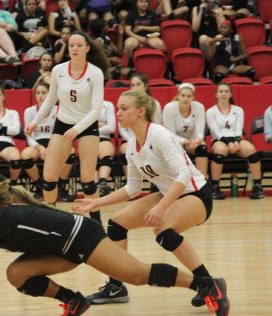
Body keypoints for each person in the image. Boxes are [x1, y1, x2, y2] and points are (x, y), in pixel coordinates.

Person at [0, 171, 230, 316]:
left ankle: (205, 284)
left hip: (81, 236)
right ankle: (74, 301)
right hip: (61, 249)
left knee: (135, 275)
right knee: (16, 274)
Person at [73, 89, 218, 310]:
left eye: (124, 108)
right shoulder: (132, 146)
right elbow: (132, 188)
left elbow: (185, 174)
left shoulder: (159, 134)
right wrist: (96, 203)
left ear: (141, 111)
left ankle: (208, 284)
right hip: (168, 192)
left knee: (163, 232)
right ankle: (116, 286)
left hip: (196, 193)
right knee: (117, 224)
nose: (118, 113)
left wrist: (161, 207)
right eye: (118, 108)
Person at [25, 31, 111, 224]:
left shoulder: (95, 73)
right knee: (49, 177)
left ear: (87, 48)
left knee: (87, 178)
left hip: (86, 125)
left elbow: (96, 109)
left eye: (79, 45)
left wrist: (77, 130)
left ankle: (96, 223)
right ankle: (50, 221)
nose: (74, 49)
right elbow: (50, 99)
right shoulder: (59, 70)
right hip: (63, 123)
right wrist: (35, 122)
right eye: (71, 45)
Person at [206, 83, 264, 200]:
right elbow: (215, 132)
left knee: (250, 149)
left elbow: (238, 129)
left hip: (236, 139)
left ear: (231, 94)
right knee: (221, 149)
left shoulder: (238, 110)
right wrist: (229, 144)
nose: (223, 94)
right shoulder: (211, 111)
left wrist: (236, 142)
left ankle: (257, 186)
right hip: (219, 140)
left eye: (226, 91)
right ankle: (215, 187)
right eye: (221, 91)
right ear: (216, 94)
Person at [22, 82, 75, 200]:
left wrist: (52, 147)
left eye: (43, 93)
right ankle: (39, 187)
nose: (40, 96)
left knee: (71, 151)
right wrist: (39, 148)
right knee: (25, 155)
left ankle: (61, 187)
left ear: (50, 95)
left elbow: (62, 132)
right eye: (38, 93)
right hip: (36, 143)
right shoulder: (29, 111)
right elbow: (28, 136)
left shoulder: (58, 110)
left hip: (55, 141)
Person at [162, 83, 208, 176]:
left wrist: (197, 140)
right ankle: (176, 180)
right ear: (178, 96)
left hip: (192, 141)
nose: (185, 98)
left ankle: (202, 182)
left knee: (202, 148)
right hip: (175, 141)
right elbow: (170, 134)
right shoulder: (169, 108)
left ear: (193, 98)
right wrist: (185, 142)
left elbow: (200, 131)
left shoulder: (199, 107)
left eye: (189, 96)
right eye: (183, 95)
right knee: (172, 149)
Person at [208, 19, 255, 83]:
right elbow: (210, 57)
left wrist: (237, 58)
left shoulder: (237, 37)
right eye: (221, 27)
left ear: (231, 30)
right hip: (222, 64)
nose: (222, 29)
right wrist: (213, 42)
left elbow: (246, 55)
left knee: (251, 71)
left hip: (235, 65)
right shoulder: (217, 39)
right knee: (218, 75)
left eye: (225, 28)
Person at [124, 0, 164, 68]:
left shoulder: (152, 13)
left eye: (146, 2)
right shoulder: (131, 14)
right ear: (137, 3)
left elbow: (157, 29)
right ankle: (130, 64)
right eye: (141, 1)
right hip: (136, 37)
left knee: (160, 44)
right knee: (128, 44)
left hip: (149, 36)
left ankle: (159, 65)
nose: (144, 4)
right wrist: (139, 38)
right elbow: (127, 31)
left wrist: (143, 28)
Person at [97, 100, 117, 197]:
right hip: (86, 139)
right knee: (89, 155)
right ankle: (96, 185)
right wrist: (101, 125)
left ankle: (102, 182)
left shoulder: (108, 105)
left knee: (106, 150)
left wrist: (92, 127)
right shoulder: (81, 104)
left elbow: (112, 128)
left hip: (104, 138)